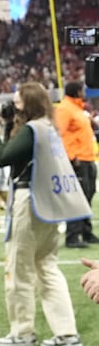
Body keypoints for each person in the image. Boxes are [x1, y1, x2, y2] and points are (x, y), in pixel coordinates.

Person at [0, 82, 89, 346]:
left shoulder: (32, 129)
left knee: (18, 268)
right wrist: (9, 126)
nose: (13, 106)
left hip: (29, 202)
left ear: (28, 104)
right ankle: (66, 333)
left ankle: (22, 331)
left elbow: (3, 157)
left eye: (17, 102)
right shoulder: (48, 127)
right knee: (47, 266)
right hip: (48, 205)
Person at [54, 80, 97, 248]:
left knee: (88, 195)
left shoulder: (77, 108)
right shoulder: (65, 109)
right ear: (77, 91)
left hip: (88, 157)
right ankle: (72, 236)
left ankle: (86, 231)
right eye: (82, 90)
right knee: (77, 198)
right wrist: (71, 156)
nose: (84, 92)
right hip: (77, 160)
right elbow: (60, 134)